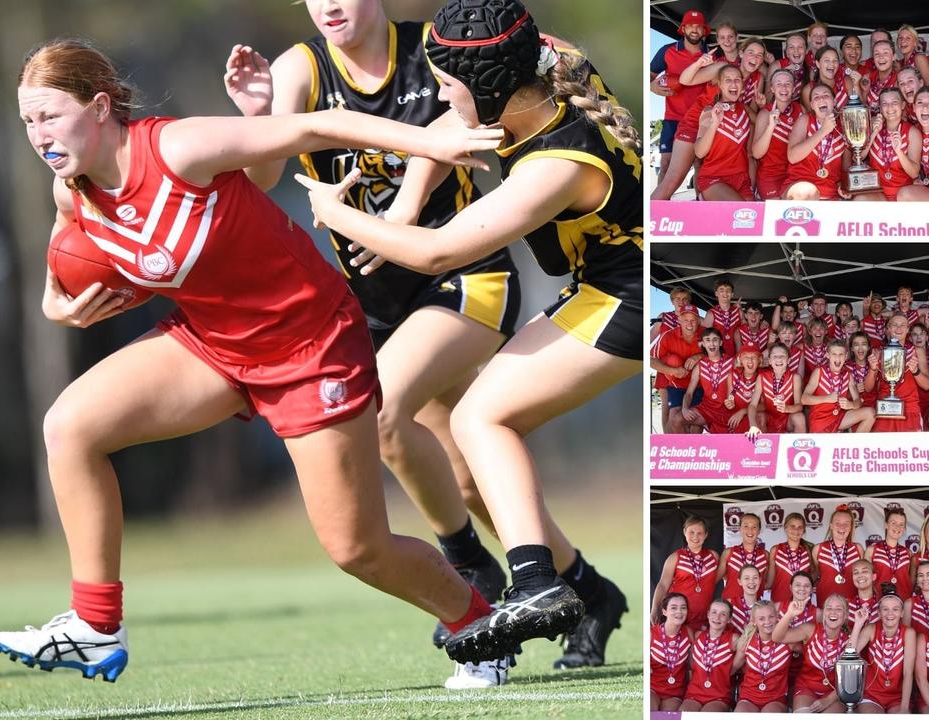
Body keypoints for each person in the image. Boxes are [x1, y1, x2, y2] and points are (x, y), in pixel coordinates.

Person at [0, 37, 514, 685]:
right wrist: (55, 303)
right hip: (213, 344)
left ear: (100, 107)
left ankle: (480, 624)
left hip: (311, 345)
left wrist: (431, 145)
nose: (37, 134)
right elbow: (65, 253)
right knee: (70, 427)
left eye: (49, 115)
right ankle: (96, 627)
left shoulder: (178, 148)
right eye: (27, 121)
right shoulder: (71, 191)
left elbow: (314, 125)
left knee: (357, 549)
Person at [297, 0, 644, 669]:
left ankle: (536, 584)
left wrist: (331, 212)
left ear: (486, 86)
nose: (441, 95)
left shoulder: (558, 164)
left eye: (449, 84)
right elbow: (446, 126)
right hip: (607, 286)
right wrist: (404, 200)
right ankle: (574, 588)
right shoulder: (545, 65)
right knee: (473, 441)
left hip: (625, 297)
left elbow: (436, 254)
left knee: (484, 417)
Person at [227, 0, 521, 657]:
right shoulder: (298, 68)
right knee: (468, 476)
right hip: (378, 304)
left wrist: (407, 210)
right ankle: (581, 585)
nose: (329, 4)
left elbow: (463, 120)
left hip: (464, 274)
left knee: (385, 415)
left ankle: (469, 564)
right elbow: (263, 173)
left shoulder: (434, 48)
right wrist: (257, 120)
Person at [649, 10, 710, 200]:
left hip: (699, 119)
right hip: (673, 117)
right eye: (690, 25)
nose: (694, 29)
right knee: (666, 164)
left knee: (700, 164)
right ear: (683, 28)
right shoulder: (667, 50)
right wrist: (652, 86)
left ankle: (701, 205)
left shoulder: (711, 54)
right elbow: (648, 76)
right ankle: (660, 210)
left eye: (698, 26)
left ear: (703, 31)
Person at [774, 594, 855, 713]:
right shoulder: (810, 629)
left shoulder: (849, 639)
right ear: (823, 612)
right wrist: (789, 614)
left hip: (835, 693)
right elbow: (777, 637)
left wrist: (828, 700)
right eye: (829, 608)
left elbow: (849, 679)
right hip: (807, 687)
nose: (833, 612)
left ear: (846, 615)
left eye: (838, 609)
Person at [693, 64, 755, 200]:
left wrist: (762, 106)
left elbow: (762, 122)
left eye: (737, 80)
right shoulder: (709, 111)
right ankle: (703, 198)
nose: (733, 84)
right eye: (728, 80)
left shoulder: (745, 110)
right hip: (714, 178)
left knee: (755, 217)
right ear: (719, 84)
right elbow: (699, 152)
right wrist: (715, 124)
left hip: (741, 179)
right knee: (741, 211)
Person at [652, 516, 719, 632]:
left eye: (700, 533)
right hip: (679, 618)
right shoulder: (675, 557)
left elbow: (725, 579)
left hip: (704, 619)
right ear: (684, 532)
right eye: (691, 532)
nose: (695, 537)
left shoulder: (713, 556)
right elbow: (663, 585)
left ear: (706, 534)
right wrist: (654, 608)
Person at [853, 594, 917, 713]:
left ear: (902, 613)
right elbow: (848, 655)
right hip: (871, 695)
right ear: (879, 613)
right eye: (885, 609)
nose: (890, 613)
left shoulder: (908, 633)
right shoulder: (871, 629)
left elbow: (908, 672)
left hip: (898, 697)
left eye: (895, 609)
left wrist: (904, 707)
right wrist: (858, 624)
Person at [783, 84, 847, 200]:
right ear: (812, 105)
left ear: (834, 101)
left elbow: (846, 167)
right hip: (800, 186)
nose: (821, 99)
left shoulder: (843, 127)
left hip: (830, 191)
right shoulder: (805, 120)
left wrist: (844, 186)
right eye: (816, 97)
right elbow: (792, 157)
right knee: (807, 192)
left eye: (826, 95)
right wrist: (823, 131)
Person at [866, 314, 928, 433]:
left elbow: (927, 385)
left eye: (902, 325)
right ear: (888, 328)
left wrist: (916, 371)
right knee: (883, 450)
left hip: (909, 409)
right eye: (895, 325)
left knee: (909, 449)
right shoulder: (879, 352)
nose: (899, 328)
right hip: (885, 409)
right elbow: (868, 388)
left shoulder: (916, 351)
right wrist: (873, 369)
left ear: (908, 329)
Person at [802, 340, 876, 433]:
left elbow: (858, 402)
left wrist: (851, 405)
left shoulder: (848, 375)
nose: (838, 357)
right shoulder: (819, 372)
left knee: (870, 413)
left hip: (839, 418)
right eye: (834, 354)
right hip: (820, 419)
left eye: (841, 354)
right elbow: (804, 399)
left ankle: (855, 445)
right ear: (828, 355)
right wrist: (826, 399)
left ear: (845, 357)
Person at [751, 68, 802, 200]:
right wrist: (770, 127)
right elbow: (756, 153)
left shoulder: (800, 109)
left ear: (794, 88)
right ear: (772, 89)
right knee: (779, 212)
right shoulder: (764, 113)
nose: (784, 87)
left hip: (795, 173)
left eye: (788, 84)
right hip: (771, 175)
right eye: (779, 84)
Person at [680, 598, 738, 712]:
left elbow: (738, 664)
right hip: (694, 693)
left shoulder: (734, 639)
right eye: (714, 612)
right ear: (708, 614)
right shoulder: (697, 635)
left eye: (723, 614)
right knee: (683, 714)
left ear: (730, 619)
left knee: (707, 715)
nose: (717, 617)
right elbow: (691, 665)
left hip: (719, 696)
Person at [733, 601, 792, 713]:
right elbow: (733, 668)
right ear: (754, 621)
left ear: (777, 618)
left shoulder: (788, 640)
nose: (767, 622)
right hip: (748, 697)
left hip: (775, 699)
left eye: (771, 617)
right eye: (761, 618)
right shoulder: (746, 641)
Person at [652, 304, 702, 434]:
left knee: (696, 420)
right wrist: (673, 371)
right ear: (679, 319)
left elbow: (719, 353)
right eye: (686, 320)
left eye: (693, 320)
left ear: (698, 321)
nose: (689, 324)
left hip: (698, 385)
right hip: (676, 384)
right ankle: (678, 449)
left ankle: (696, 450)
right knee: (674, 416)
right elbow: (651, 359)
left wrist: (699, 356)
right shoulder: (668, 336)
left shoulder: (706, 333)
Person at [865, 88, 921, 201]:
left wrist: (899, 151)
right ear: (880, 108)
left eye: (894, 102)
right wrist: (873, 134)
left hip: (903, 193)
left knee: (904, 195)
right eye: (885, 104)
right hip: (878, 192)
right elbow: (858, 156)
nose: (890, 107)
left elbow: (914, 173)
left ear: (903, 105)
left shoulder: (912, 132)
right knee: (860, 200)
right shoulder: (873, 126)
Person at [677, 328, 733, 433]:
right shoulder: (699, 366)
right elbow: (689, 393)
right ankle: (687, 449)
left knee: (723, 446)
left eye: (715, 340)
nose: (711, 343)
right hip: (707, 410)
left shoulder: (732, 362)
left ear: (720, 342)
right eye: (707, 340)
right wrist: (685, 408)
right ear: (702, 343)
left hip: (728, 410)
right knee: (676, 419)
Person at [749, 344, 805, 433]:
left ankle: (799, 445)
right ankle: (762, 444)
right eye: (775, 356)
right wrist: (753, 425)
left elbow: (799, 406)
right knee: (759, 416)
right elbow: (753, 405)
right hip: (769, 417)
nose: (778, 359)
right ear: (770, 361)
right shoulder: (762, 377)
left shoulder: (795, 378)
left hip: (787, 419)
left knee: (799, 417)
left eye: (782, 356)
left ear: (788, 360)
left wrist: (787, 408)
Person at [649, 593, 691, 712]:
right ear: (664, 611)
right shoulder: (651, 633)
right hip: (652, 689)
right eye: (673, 608)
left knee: (669, 716)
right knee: (650, 710)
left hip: (675, 693)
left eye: (683, 607)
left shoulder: (690, 633)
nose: (679, 611)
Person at [813, 506, 862, 602]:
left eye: (846, 524)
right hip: (825, 606)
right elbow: (813, 576)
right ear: (831, 525)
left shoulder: (858, 549)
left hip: (852, 606)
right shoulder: (818, 549)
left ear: (851, 527)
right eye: (837, 523)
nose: (842, 527)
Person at [717, 513, 768, 604]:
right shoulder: (728, 553)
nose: (750, 530)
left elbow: (767, 582)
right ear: (740, 529)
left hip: (754, 607)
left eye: (754, 527)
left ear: (759, 530)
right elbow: (717, 578)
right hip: (730, 605)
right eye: (745, 526)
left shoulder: (765, 555)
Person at [867, 507, 913, 600]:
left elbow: (911, 581)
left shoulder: (908, 553)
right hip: (879, 603)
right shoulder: (872, 550)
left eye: (901, 525)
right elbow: (866, 580)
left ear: (904, 529)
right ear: (886, 525)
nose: (897, 527)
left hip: (903, 604)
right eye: (893, 523)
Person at [767, 518, 813, 604]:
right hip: (779, 601)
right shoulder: (776, 550)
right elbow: (770, 581)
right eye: (792, 526)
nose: (796, 530)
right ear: (785, 528)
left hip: (802, 602)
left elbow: (813, 575)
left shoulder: (809, 550)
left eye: (800, 527)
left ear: (804, 530)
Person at [700, 279, 741, 357]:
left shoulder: (738, 312)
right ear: (716, 293)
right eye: (721, 290)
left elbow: (746, 330)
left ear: (732, 294)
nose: (725, 293)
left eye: (728, 290)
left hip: (736, 357)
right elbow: (705, 337)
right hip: (718, 357)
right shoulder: (711, 313)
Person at [904, 559, 929, 636]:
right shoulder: (909, 604)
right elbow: (905, 634)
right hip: (917, 646)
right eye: (921, 575)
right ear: (917, 579)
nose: (924, 579)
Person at [728, 564, 764, 634]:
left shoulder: (765, 606)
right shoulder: (729, 604)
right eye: (746, 578)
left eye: (755, 578)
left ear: (760, 580)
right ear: (739, 582)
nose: (751, 581)